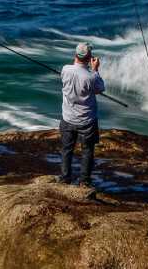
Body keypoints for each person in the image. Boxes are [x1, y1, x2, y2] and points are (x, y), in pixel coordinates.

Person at [56, 42, 105, 188]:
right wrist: (95, 70)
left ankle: (65, 177)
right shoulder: (91, 77)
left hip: (67, 118)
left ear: (75, 55)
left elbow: (73, 73)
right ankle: (84, 181)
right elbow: (100, 88)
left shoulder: (65, 70)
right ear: (89, 57)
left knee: (66, 149)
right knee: (87, 150)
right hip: (86, 120)